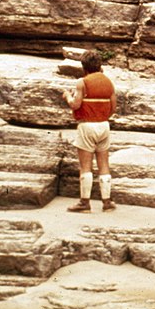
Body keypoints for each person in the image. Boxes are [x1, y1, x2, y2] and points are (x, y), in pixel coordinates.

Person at [65, 50, 117, 212]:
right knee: (104, 165)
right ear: (99, 65)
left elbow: (75, 104)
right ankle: (107, 202)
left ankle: (84, 203)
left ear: (84, 67)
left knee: (85, 166)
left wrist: (67, 96)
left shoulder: (82, 82)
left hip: (87, 126)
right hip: (103, 125)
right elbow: (113, 108)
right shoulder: (109, 82)